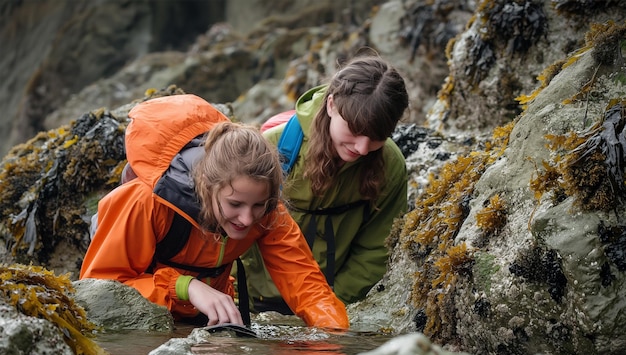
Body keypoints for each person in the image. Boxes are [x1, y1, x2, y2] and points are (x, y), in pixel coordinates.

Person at [79, 94, 349, 330]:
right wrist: (187, 287)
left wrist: (335, 340)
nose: (247, 219)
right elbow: (98, 290)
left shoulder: (266, 208)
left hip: (207, 322)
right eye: (234, 205)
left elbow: (305, 282)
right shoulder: (143, 202)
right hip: (138, 326)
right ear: (207, 188)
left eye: (258, 205)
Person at [243, 52, 410, 314]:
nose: (363, 148)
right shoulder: (274, 147)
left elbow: (375, 250)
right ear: (331, 105)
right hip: (253, 303)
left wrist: (330, 305)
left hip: (329, 302)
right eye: (354, 131)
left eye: (378, 137)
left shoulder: (390, 165)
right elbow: (229, 227)